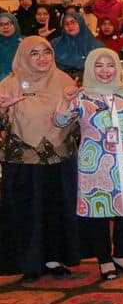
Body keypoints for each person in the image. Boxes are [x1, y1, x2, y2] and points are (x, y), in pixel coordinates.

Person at [0, 37, 85, 279]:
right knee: (27, 210)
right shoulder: (9, 83)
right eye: (34, 53)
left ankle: (54, 259)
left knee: (55, 208)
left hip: (58, 158)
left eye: (46, 52)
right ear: (24, 56)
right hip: (23, 160)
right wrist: (3, 108)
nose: (42, 58)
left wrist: (71, 108)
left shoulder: (64, 81)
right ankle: (28, 261)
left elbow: (79, 120)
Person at [60, 47, 123, 279]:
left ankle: (121, 255)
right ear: (90, 68)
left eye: (110, 65)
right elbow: (60, 121)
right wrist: (65, 101)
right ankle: (105, 259)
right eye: (99, 65)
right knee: (99, 211)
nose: (105, 71)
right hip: (95, 163)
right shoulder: (81, 96)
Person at [0, 11, 20, 79]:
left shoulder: (24, 42)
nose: (5, 27)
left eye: (9, 23)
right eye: (1, 24)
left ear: (15, 24)